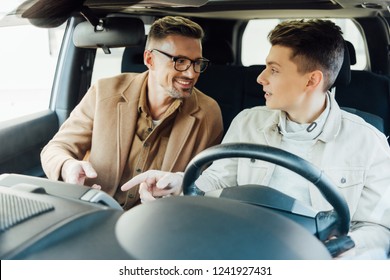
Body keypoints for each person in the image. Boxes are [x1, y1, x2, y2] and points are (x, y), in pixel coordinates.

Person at [122, 19, 390, 259]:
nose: (260, 78)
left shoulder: (369, 143)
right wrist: (178, 184)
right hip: (238, 248)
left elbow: (378, 227)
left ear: (312, 80)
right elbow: (218, 180)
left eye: (273, 70)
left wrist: (339, 251)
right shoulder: (248, 121)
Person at [40, 16, 224, 210]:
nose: (191, 73)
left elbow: (208, 181)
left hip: (160, 220)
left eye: (197, 63)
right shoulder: (104, 92)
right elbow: (56, 149)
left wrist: (178, 190)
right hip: (94, 210)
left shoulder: (208, 114)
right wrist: (68, 167)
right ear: (149, 59)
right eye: (180, 61)